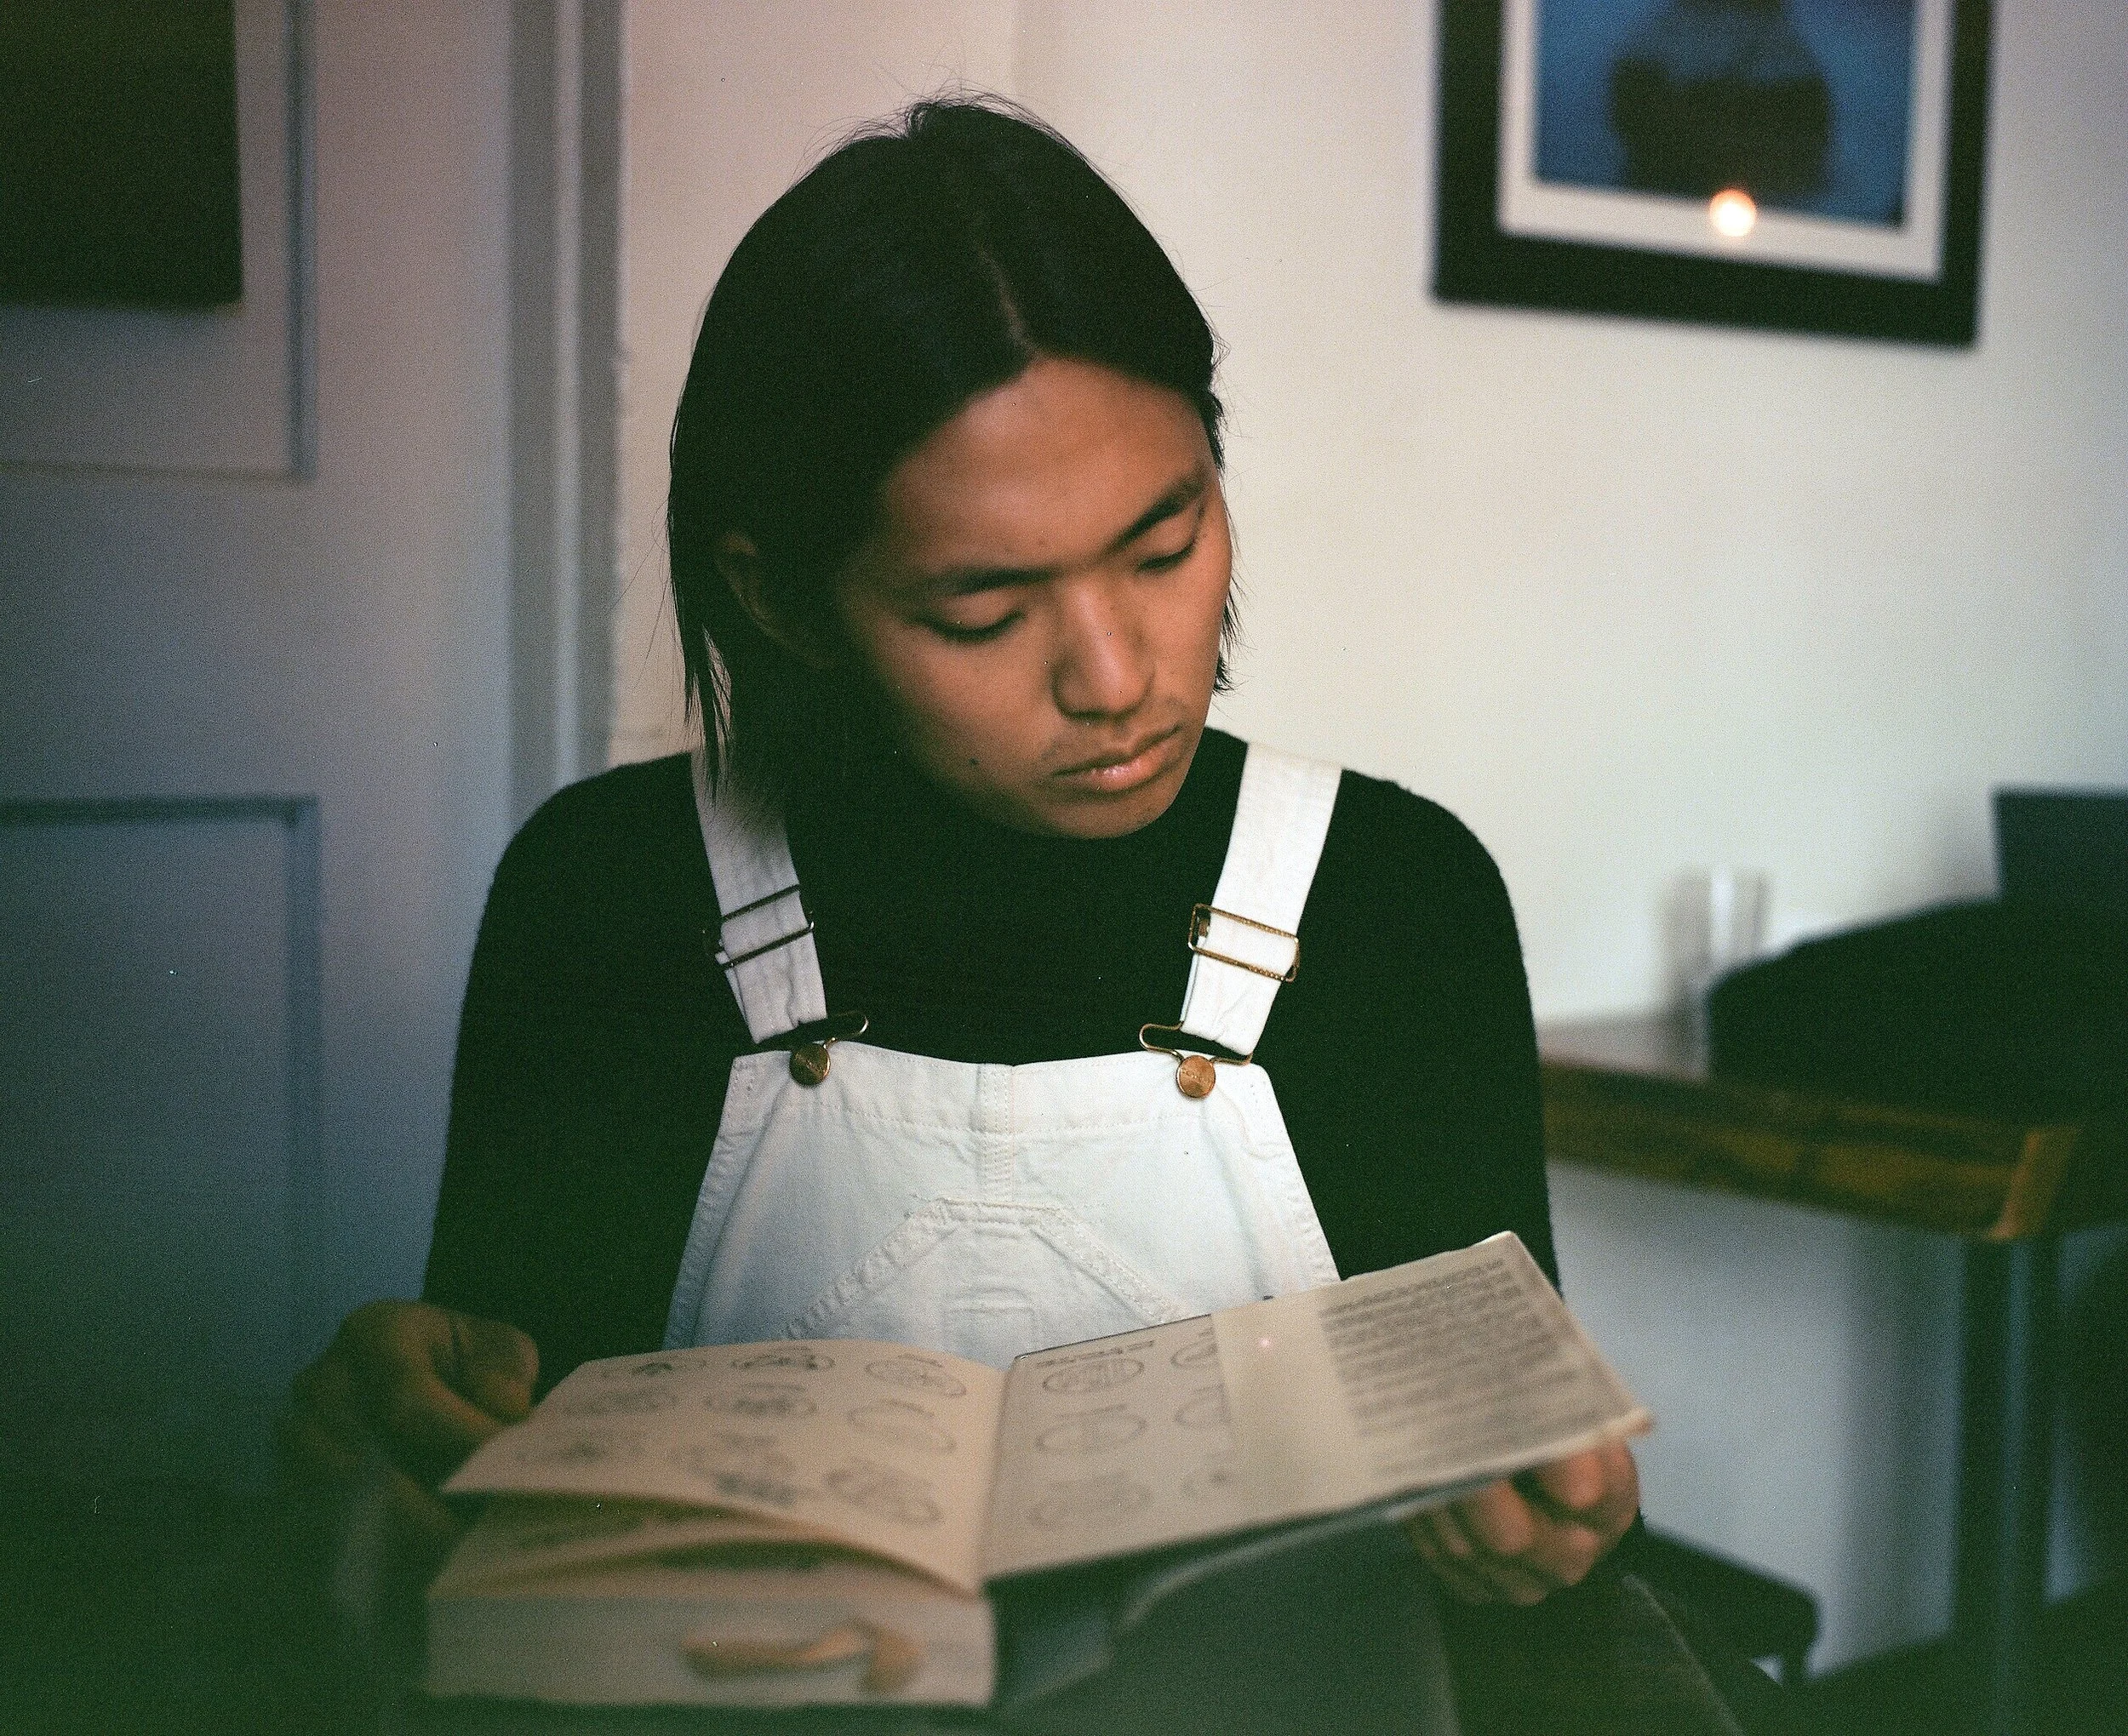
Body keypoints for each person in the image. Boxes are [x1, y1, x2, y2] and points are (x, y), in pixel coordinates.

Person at [283, 96, 1638, 1623]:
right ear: (784, 600)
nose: (1118, 676)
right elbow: (506, 1481)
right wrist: (406, 1433)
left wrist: (1542, 1511)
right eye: (981, 614)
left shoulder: (1397, 898)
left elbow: (1511, 1494)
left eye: (1167, 543)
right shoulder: (608, 893)